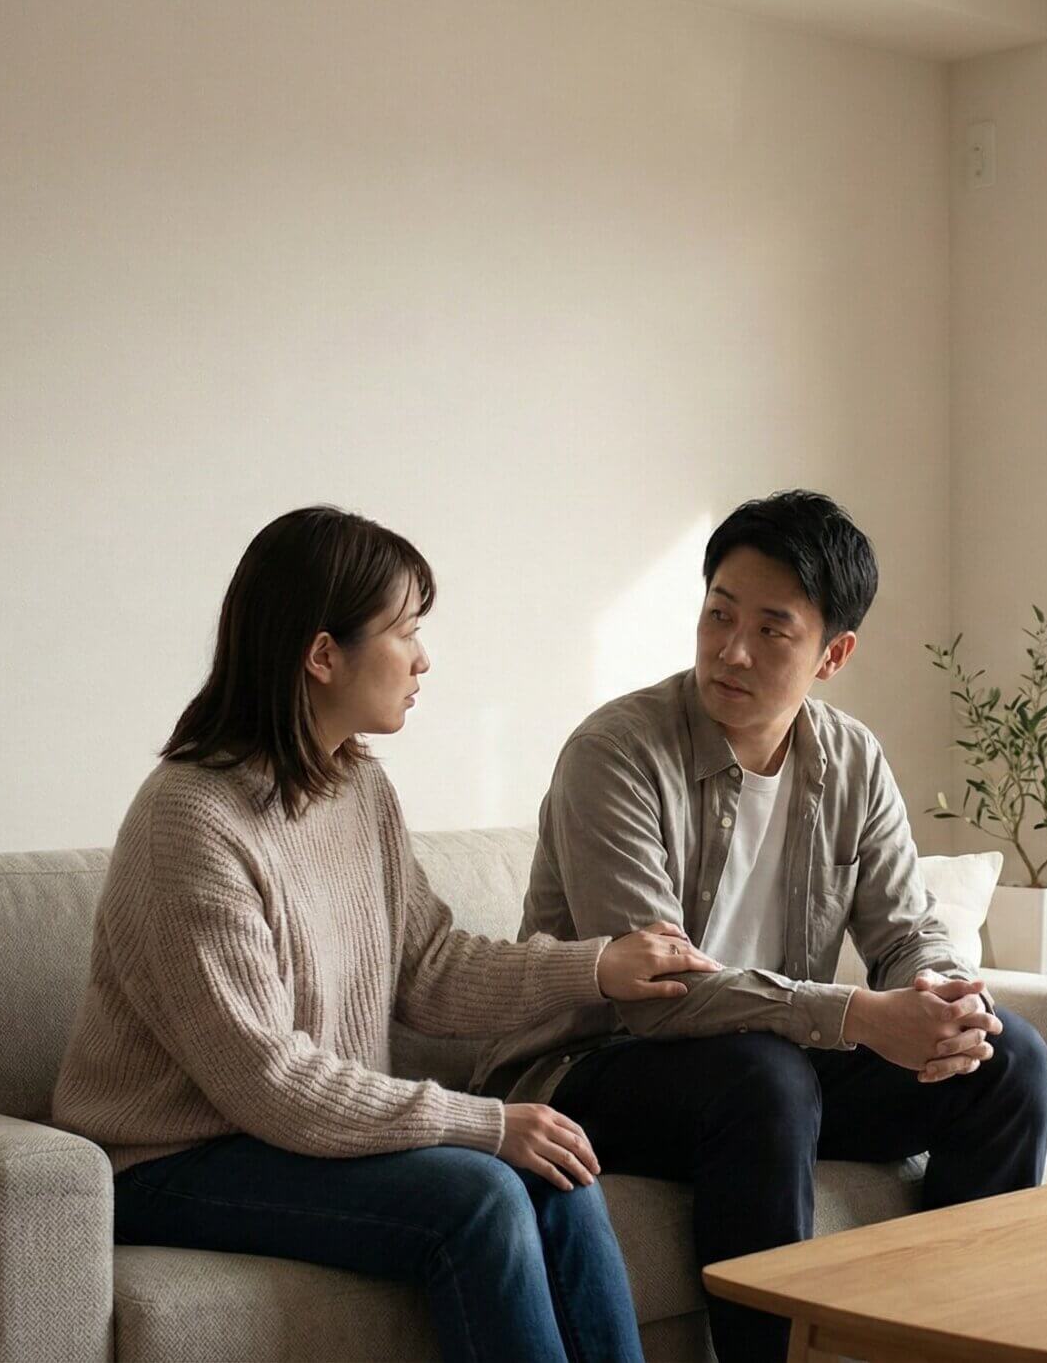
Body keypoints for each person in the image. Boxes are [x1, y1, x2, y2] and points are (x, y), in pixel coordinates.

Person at [52, 505, 719, 1363]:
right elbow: (270, 1082)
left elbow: (428, 967)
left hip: (282, 1138)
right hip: (172, 1160)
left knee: (558, 1172)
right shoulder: (191, 821)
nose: (423, 657)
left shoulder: (356, 785)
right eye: (405, 630)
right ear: (323, 654)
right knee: (481, 1196)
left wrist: (594, 968)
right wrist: (479, 1123)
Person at [474, 490, 1047, 1363]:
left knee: (1008, 1059)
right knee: (766, 1077)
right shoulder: (616, 753)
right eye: (718, 615)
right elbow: (656, 998)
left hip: (771, 1066)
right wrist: (859, 1017)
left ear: (833, 653)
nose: (731, 650)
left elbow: (906, 931)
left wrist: (943, 991)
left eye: (772, 630)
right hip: (595, 1073)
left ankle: (951, 1346)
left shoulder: (851, 757)